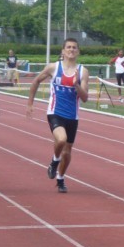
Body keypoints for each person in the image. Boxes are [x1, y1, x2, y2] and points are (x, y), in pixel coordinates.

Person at [26, 38, 89, 193]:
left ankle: (60, 178)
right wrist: (30, 103)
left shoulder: (83, 71)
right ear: (62, 51)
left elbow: (85, 98)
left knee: (67, 152)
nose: (71, 50)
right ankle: (54, 161)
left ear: (78, 51)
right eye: (68, 47)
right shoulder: (53, 68)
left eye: (74, 47)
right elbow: (35, 81)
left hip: (72, 116)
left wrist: (76, 85)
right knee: (61, 139)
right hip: (55, 112)